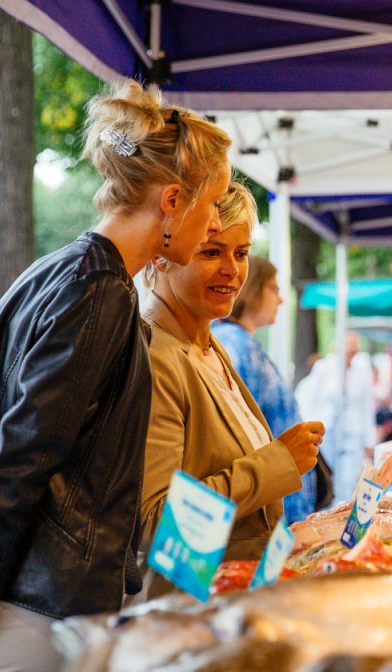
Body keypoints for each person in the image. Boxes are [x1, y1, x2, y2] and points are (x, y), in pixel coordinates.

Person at [0, 79, 233, 672]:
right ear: (171, 201)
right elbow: (13, 468)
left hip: (15, 602)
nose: (215, 223)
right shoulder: (101, 295)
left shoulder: (49, 273)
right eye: (212, 201)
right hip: (40, 611)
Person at [136, 183, 323, 600]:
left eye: (240, 254)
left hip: (240, 599)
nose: (232, 270)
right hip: (194, 615)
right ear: (163, 256)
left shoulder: (207, 343)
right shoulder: (156, 355)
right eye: (211, 252)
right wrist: (277, 463)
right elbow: (157, 523)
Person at [212, 256, 318, 525]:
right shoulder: (236, 347)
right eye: (274, 289)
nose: (280, 300)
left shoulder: (242, 344)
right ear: (251, 290)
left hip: (273, 500)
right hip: (266, 509)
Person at [295, 331, 376, 502]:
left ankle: (342, 509)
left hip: (353, 431)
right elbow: (311, 399)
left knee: (348, 479)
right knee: (326, 474)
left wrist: (370, 439)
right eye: (349, 344)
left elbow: (367, 405)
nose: (352, 349)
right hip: (327, 430)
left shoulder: (362, 370)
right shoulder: (324, 368)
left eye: (355, 345)